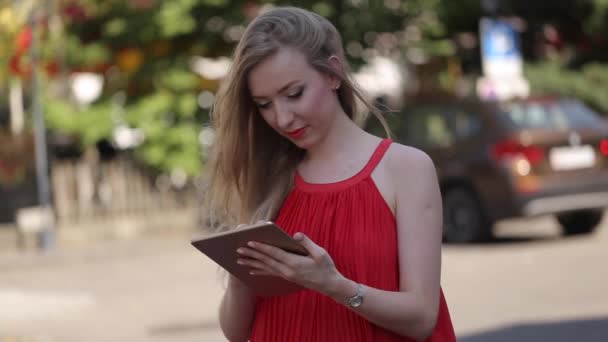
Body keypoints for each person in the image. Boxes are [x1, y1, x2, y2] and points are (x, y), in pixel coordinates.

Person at [203, 6, 456, 342]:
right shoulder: (271, 177)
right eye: (264, 104)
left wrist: (334, 286)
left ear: (333, 74)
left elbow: (422, 318)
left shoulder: (405, 168)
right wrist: (240, 280)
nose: (281, 118)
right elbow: (236, 334)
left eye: (294, 94)